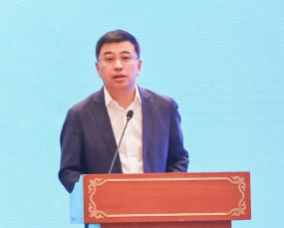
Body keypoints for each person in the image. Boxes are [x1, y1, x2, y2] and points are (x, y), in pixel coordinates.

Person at [58, 30, 189, 194]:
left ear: (138, 66)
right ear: (98, 68)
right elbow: (69, 171)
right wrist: (97, 197)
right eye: (109, 59)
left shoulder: (164, 107)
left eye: (126, 58)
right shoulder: (79, 115)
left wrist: (166, 192)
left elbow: (178, 158)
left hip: (157, 204)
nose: (118, 66)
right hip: (107, 208)